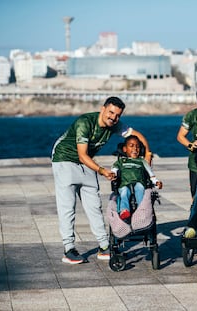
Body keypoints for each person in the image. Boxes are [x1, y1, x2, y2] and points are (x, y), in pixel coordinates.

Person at [51, 96, 151, 264]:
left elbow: (137, 135)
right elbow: (82, 155)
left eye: (118, 115)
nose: (113, 117)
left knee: (94, 206)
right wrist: (102, 171)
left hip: (86, 160)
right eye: (111, 112)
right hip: (65, 159)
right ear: (103, 109)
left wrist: (147, 154)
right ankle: (69, 249)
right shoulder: (85, 122)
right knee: (67, 206)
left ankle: (105, 247)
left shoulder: (115, 125)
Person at [112, 135, 162, 221]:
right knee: (124, 192)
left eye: (137, 147)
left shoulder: (142, 161)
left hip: (139, 182)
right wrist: (113, 174)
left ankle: (141, 210)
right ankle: (124, 210)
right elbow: (114, 169)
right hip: (124, 183)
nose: (135, 149)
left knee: (140, 188)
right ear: (124, 149)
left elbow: (150, 174)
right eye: (131, 146)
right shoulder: (121, 161)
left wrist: (156, 182)